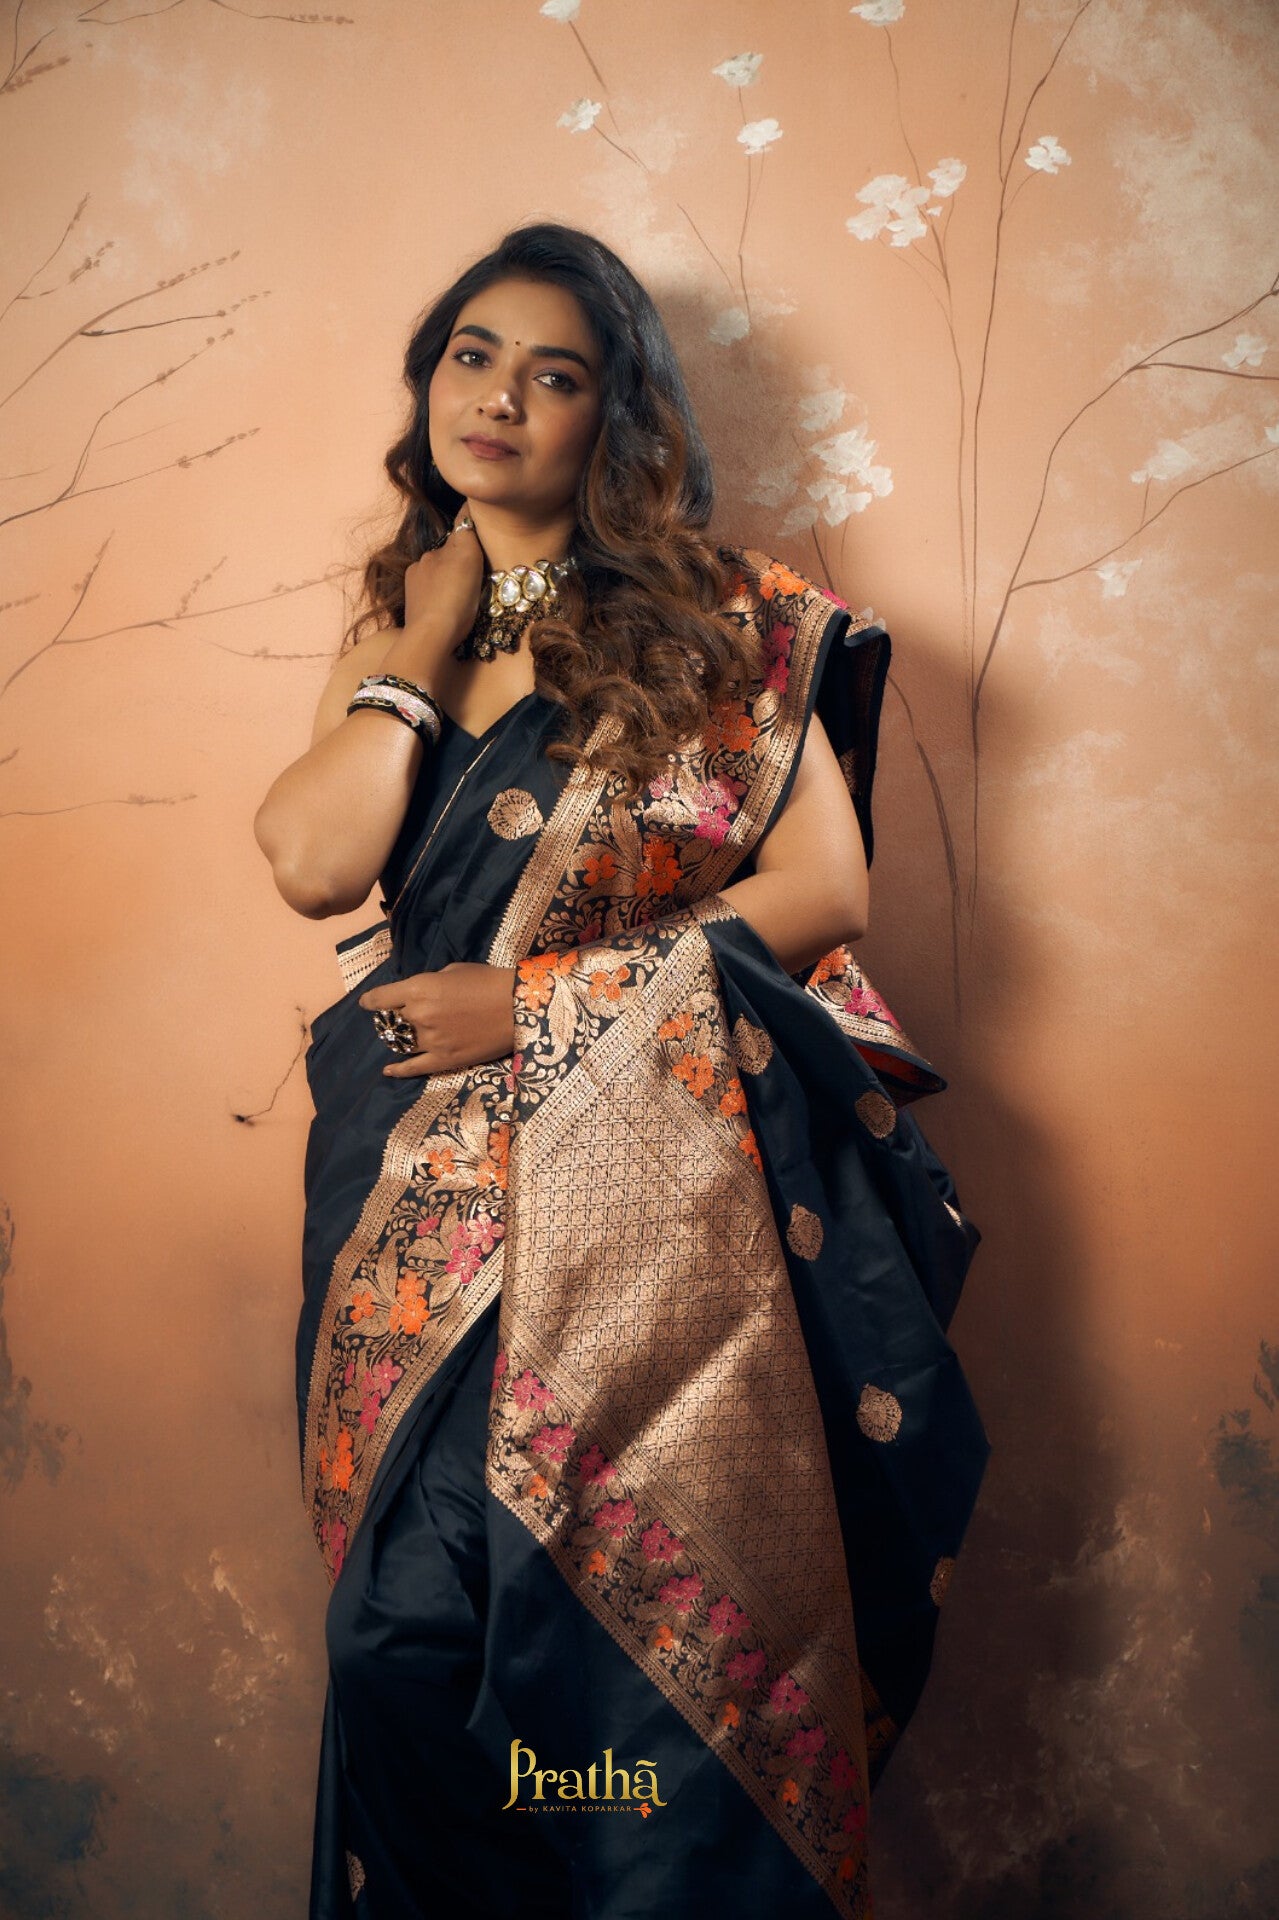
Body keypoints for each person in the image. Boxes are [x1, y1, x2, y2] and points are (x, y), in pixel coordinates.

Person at [254, 221, 990, 1920]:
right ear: (430, 381)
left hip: (651, 1196)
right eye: (473, 356)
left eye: (555, 374)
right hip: (406, 1199)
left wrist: (536, 1009)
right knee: (399, 1637)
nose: (500, 397)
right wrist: (424, 646)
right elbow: (310, 862)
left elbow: (826, 893)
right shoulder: (398, 627)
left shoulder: (723, 629)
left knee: (609, 1648)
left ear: (616, 418)